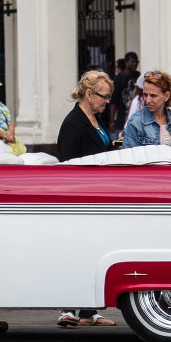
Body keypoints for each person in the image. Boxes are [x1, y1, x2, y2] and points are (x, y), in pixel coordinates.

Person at [55, 70, 118, 328]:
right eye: (104, 97)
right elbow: (67, 163)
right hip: (79, 198)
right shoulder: (73, 122)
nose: (107, 102)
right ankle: (68, 309)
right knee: (77, 253)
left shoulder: (94, 118)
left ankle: (88, 311)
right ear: (89, 94)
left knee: (94, 253)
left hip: (96, 196)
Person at [123, 70, 171, 148]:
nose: (148, 100)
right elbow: (129, 155)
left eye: (153, 96)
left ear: (166, 96)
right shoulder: (135, 122)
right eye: (145, 95)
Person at [111, 52, 140, 133]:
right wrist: (112, 121)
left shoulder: (138, 76)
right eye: (132, 61)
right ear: (126, 62)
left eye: (136, 62)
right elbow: (114, 101)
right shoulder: (119, 78)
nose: (135, 64)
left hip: (136, 120)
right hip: (121, 120)